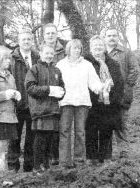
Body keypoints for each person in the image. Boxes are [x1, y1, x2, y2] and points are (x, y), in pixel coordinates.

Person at [55, 39, 104, 168]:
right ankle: (64, 162)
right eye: (74, 48)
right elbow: (56, 83)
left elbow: (94, 82)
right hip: (66, 102)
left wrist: (102, 87)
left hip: (82, 103)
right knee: (65, 131)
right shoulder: (60, 65)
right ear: (68, 50)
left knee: (80, 131)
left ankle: (79, 161)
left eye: (79, 48)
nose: (77, 50)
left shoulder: (87, 65)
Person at [84, 35, 125, 165]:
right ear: (90, 47)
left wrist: (113, 100)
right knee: (90, 130)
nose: (98, 47)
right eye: (95, 45)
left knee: (106, 129)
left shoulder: (113, 63)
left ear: (104, 47)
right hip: (91, 103)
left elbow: (119, 83)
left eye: (100, 45)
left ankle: (106, 156)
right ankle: (91, 157)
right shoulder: (85, 62)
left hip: (109, 103)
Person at [25, 44, 65, 171]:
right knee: (40, 138)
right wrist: (48, 90)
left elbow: (62, 87)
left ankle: (46, 165)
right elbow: (30, 88)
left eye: (51, 54)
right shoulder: (34, 69)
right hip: (40, 110)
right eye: (46, 53)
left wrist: (61, 93)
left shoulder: (57, 71)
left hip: (53, 110)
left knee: (50, 139)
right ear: (40, 54)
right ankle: (37, 166)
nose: (49, 56)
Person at [8, 31, 40, 172]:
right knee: (14, 135)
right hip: (16, 103)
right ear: (19, 41)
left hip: (33, 103)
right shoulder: (11, 58)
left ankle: (29, 165)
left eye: (29, 39)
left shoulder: (38, 57)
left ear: (32, 41)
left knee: (31, 136)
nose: (26, 42)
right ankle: (13, 165)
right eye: (23, 39)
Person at [104, 28, 139, 159]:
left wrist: (127, 86)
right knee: (106, 122)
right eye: (109, 36)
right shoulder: (101, 52)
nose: (111, 38)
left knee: (121, 121)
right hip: (105, 93)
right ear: (105, 38)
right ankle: (106, 152)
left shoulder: (126, 52)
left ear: (118, 37)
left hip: (122, 93)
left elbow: (134, 69)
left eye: (114, 35)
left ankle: (124, 151)